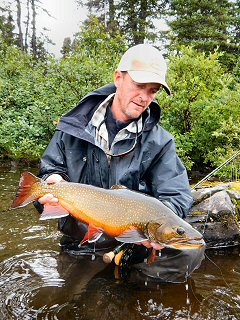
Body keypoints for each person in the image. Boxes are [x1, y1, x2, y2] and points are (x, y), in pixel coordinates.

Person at [35, 44, 204, 282]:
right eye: (139, 85)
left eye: (152, 90)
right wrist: (48, 184)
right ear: (118, 78)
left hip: (136, 244)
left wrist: (154, 232)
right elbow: (49, 172)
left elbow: (176, 195)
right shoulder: (73, 127)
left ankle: (133, 288)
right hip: (81, 242)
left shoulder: (161, 142)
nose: (144, 97)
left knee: (191, 251)